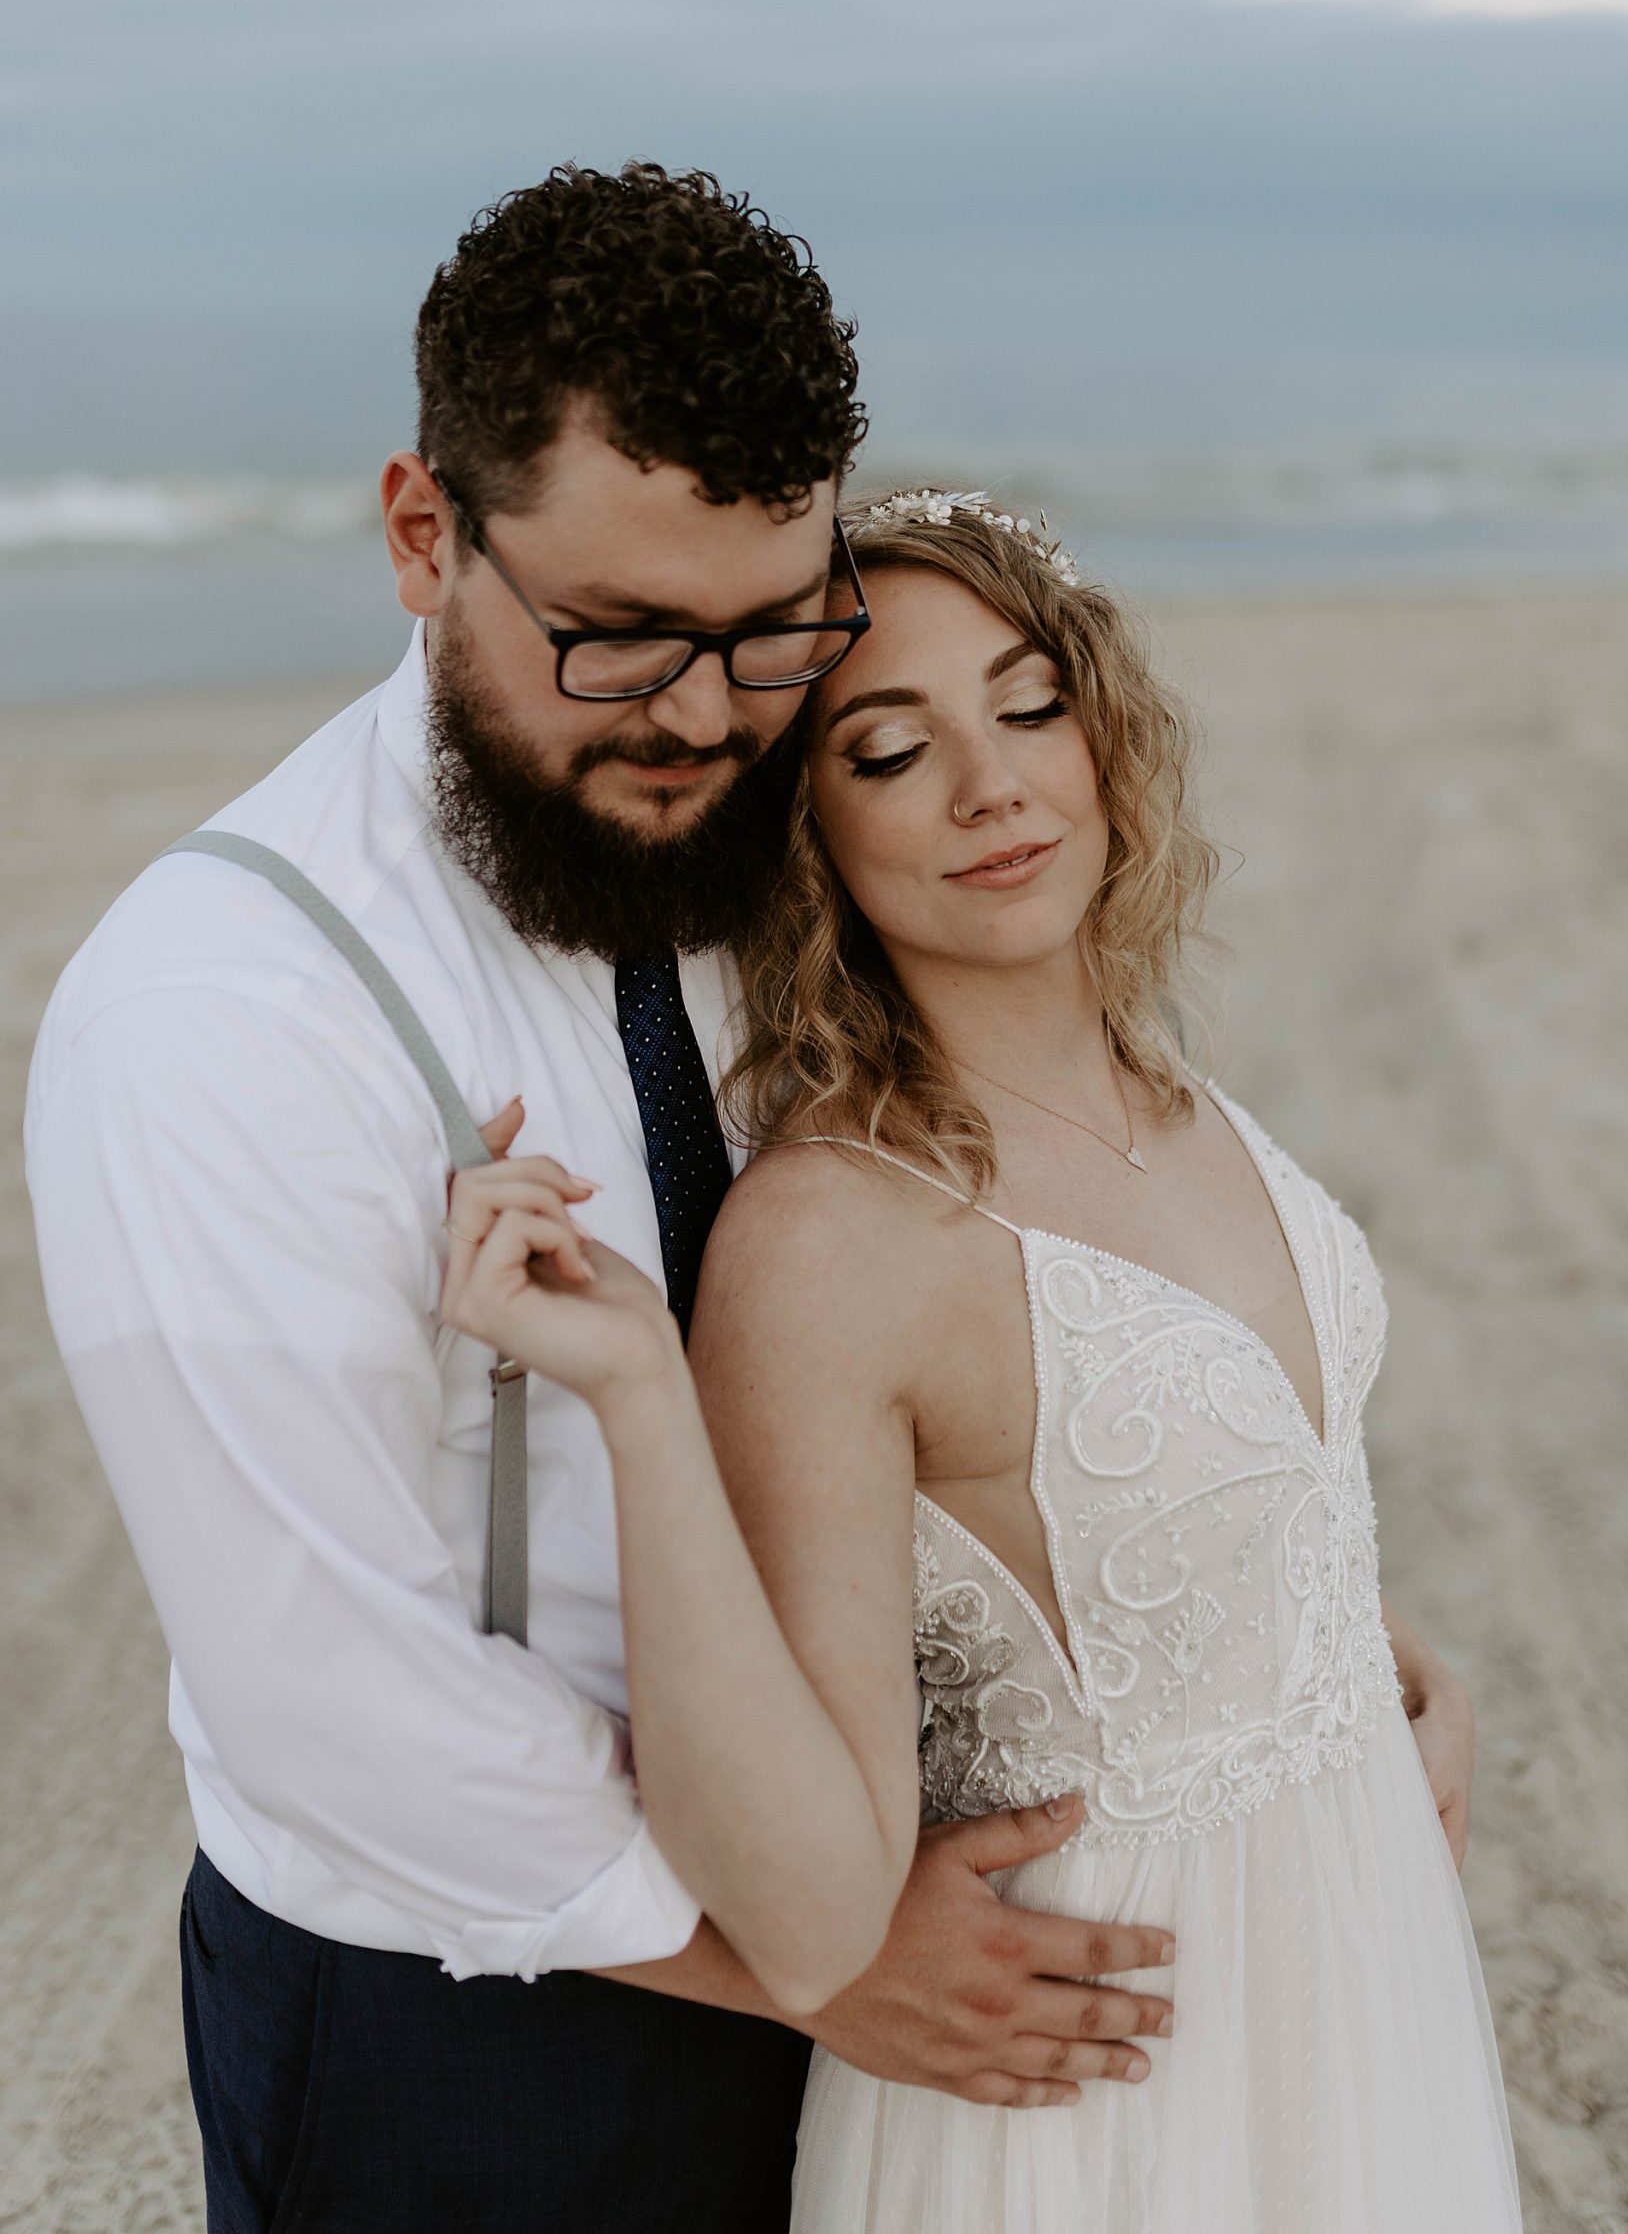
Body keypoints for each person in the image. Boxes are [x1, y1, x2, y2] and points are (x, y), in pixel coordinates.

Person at [25, 171, 1178, 2234]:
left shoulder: (768, 809)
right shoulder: (215, 1008)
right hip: (479, 2014)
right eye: (620, 638)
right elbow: (326, 1684)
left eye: (767, 631)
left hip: (871, 1896)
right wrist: (810, 1955)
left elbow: (1000, 1281)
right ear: (417, 532)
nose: (704, 717)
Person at [448, 489, 1523, 2229]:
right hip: (1094, 2089)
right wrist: (640, 1397)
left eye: (1030, 707)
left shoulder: (1179, 1102)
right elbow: (811, 1886)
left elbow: (1178, 1520)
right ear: (807, 829)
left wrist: (1382, 1676)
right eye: (890, 750)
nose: (994, 785)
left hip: (1351, 1980)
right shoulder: (832, 1242)